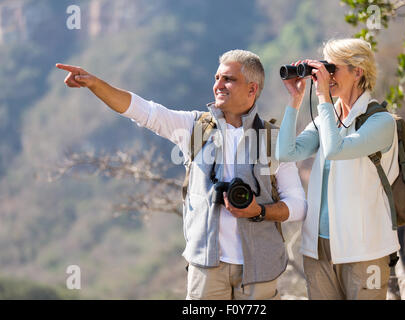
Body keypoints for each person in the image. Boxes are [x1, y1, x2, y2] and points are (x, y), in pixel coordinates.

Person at [56, 49, 307, 300]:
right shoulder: (194, 128)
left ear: (252, 90)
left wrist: (259, 212)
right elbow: (143, 111)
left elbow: (297, 205)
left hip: (261, 269)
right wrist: (95, 84)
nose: (218, 85)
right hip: (205, 268)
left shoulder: (275, 140)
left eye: (228, 79)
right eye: (216, 78)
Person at [276, 38, 400, 300]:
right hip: (319, 248)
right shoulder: (327, 119)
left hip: (365, 250)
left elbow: (336, 150)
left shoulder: (380, 122)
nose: (327, 76)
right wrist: (296, 100)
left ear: (358, 72)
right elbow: (286, 152)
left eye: (333, 68)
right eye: (325, 68)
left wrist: (322, 96)